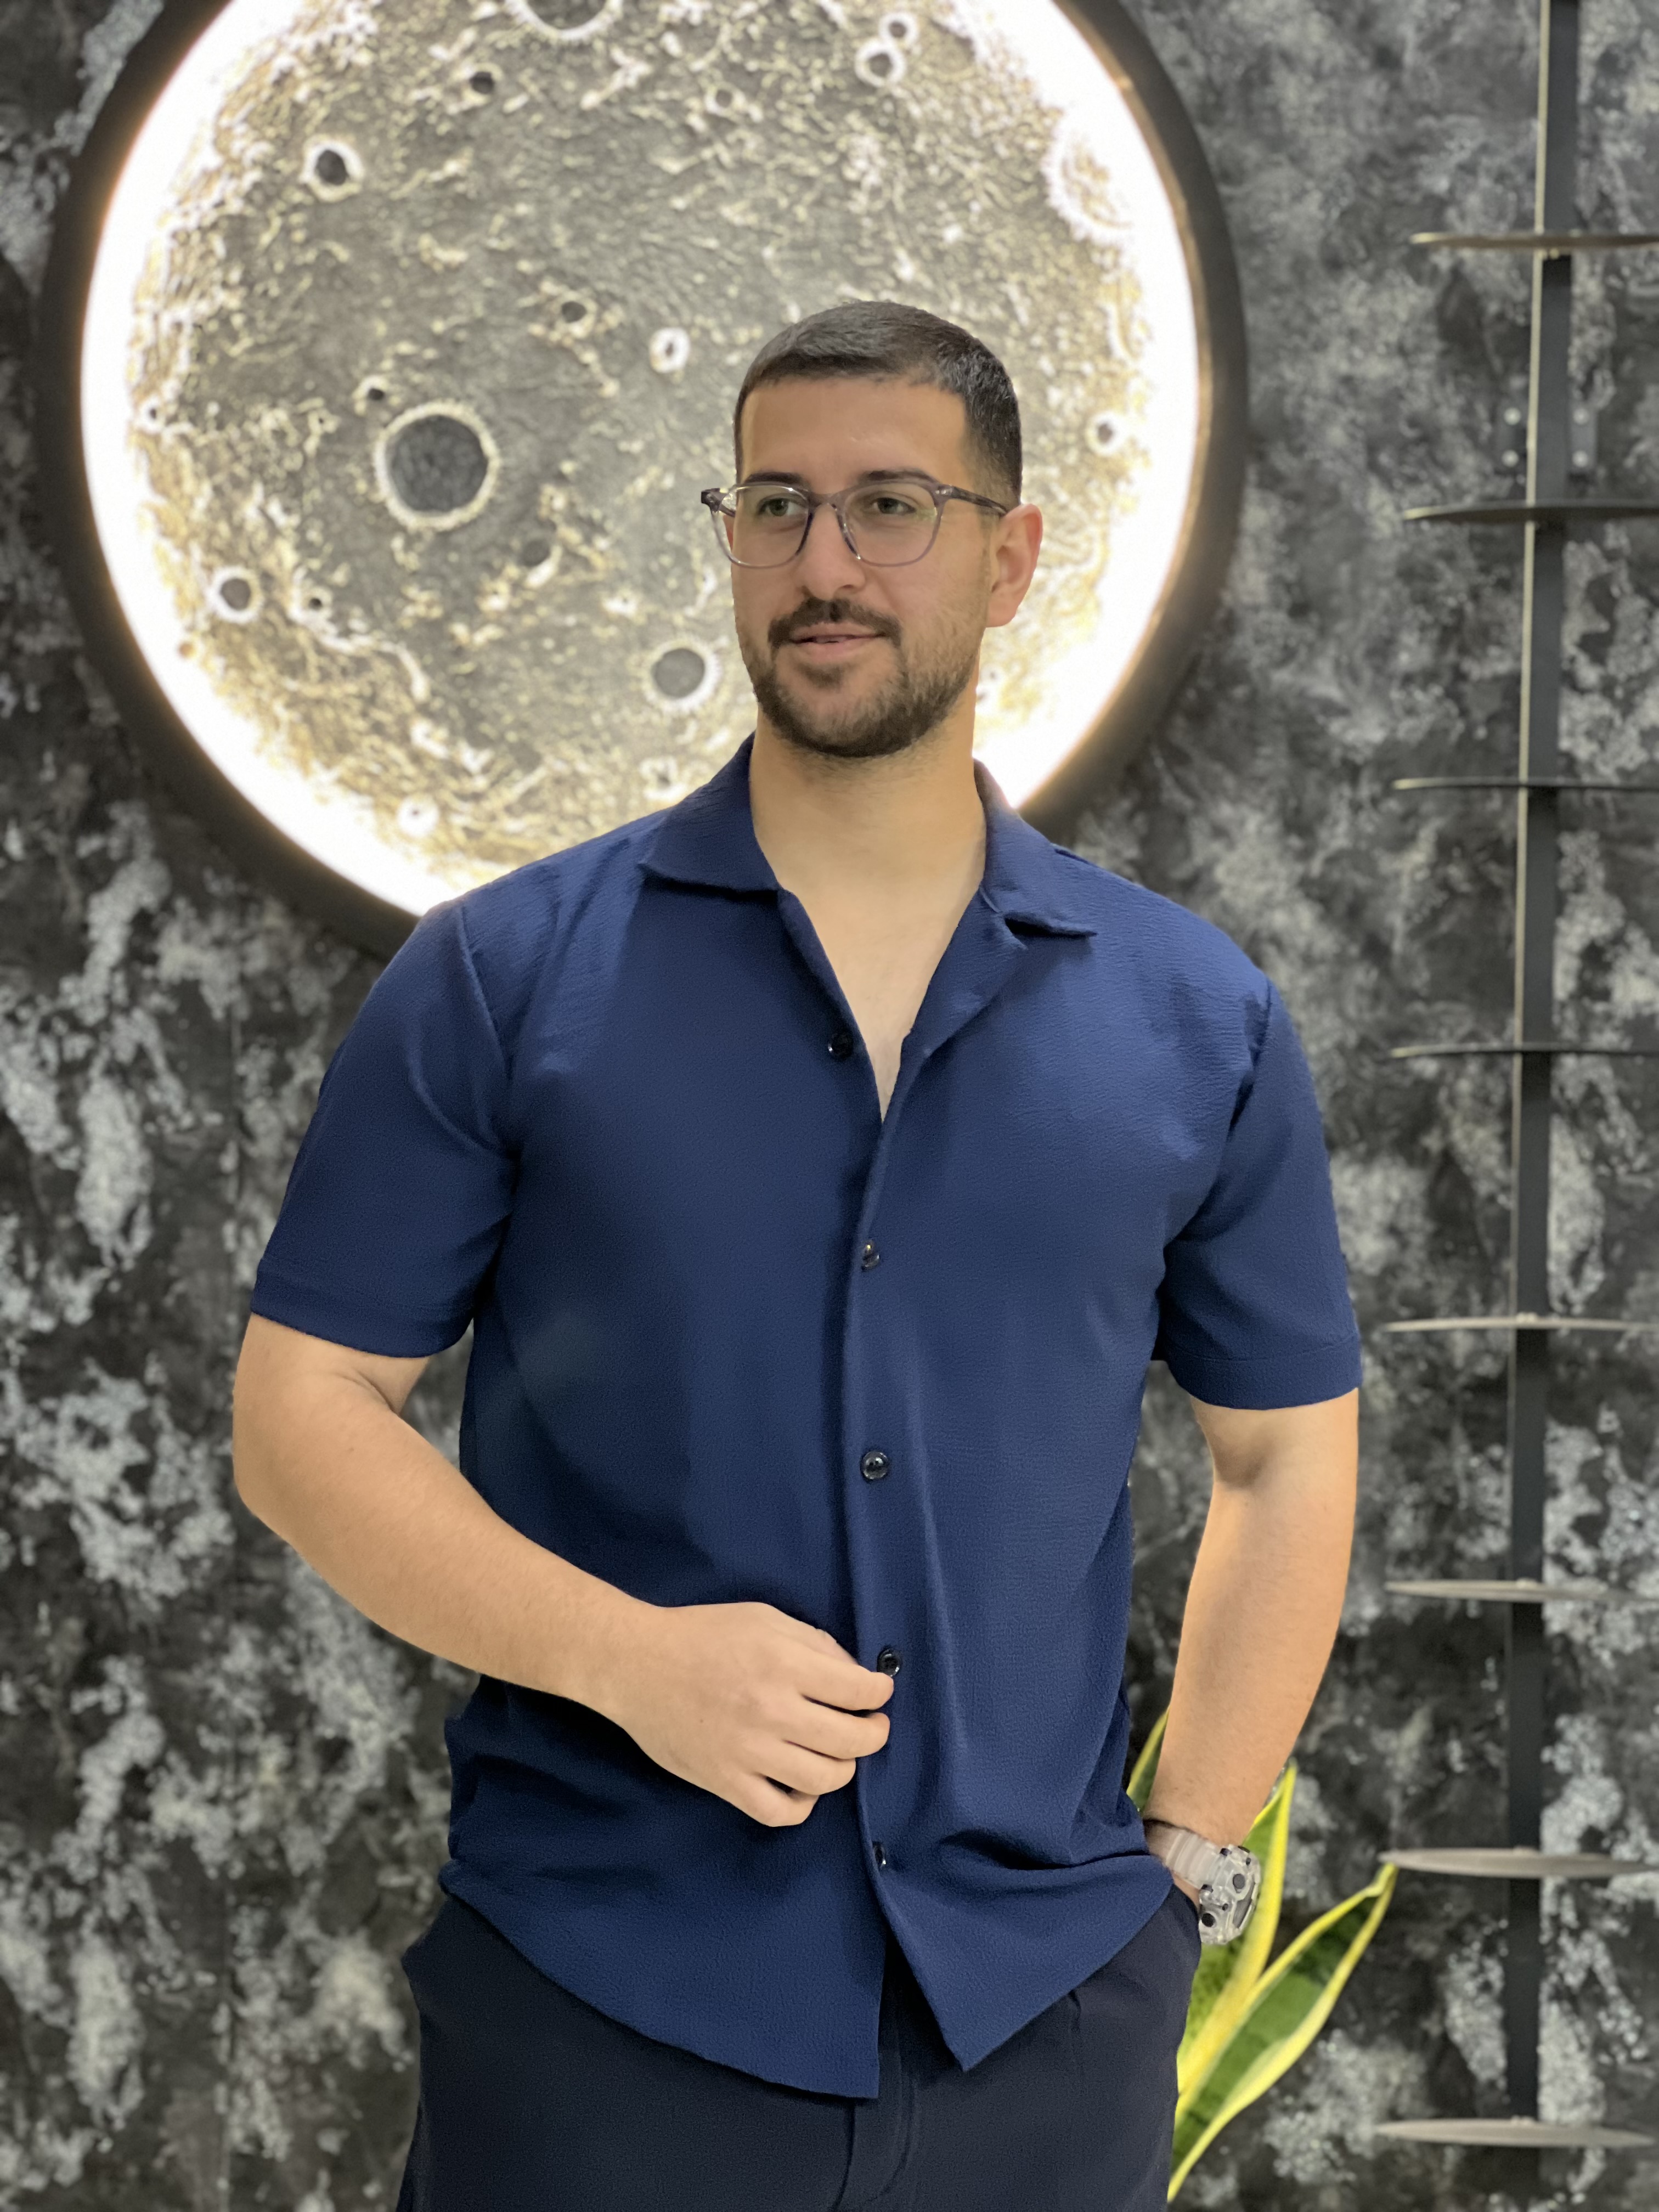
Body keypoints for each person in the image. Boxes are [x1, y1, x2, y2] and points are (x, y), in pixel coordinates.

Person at [233, 301, 1361, 2211]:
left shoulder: (1201, 1020)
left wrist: (1182, 1871)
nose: (824, 562)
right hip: (601, 2015)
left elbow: (1286, 1456)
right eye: (776, 506)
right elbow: (300, 1414)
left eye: (890, 505)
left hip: (1046, 2036)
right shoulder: (502, 979)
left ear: (1012, 557)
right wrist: (626, 1659)